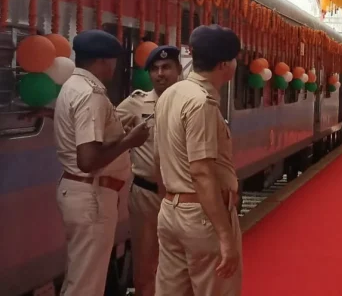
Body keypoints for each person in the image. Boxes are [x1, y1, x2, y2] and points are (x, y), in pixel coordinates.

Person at [54, 30, 150, 295]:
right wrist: (129, 141)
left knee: (80, 276)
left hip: (80, 191)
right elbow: (88, 160)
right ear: (103, 61)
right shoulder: (91, 94)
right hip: (92, 194)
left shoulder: (71, 86)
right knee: (87, 284)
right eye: (114, 60)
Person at [154, 25, 242, 295]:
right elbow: (201, 172)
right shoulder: (201, 103)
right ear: (224, 65)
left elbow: (158, 159)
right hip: (200, 216)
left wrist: (170, 202)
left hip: (170, 211)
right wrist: (225, 235)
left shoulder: (170, 94)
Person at [116, 45, 181, 296]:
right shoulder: (136, 103)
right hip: (146, 197)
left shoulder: (192, 102)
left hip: (182, 197)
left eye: (166, 67)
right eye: (154, 69)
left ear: (178, 70)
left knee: (180, 268)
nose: (160, 73)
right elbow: (102, 126)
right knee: (145, 269)